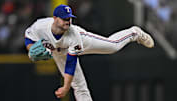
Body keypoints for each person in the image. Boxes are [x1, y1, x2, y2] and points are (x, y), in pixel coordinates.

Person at [24, 4, 154, 101]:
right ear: (55, 18)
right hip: (59, 52)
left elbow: (71, 63)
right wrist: (31, 50)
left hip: (82, 41)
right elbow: (28, 37)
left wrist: (65, 87)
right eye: (64, 18)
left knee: (113, 46)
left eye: (69, 18)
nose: (68, 21)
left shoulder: (73, 34)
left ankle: (134, 33)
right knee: (79, 86)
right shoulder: (40, 26)